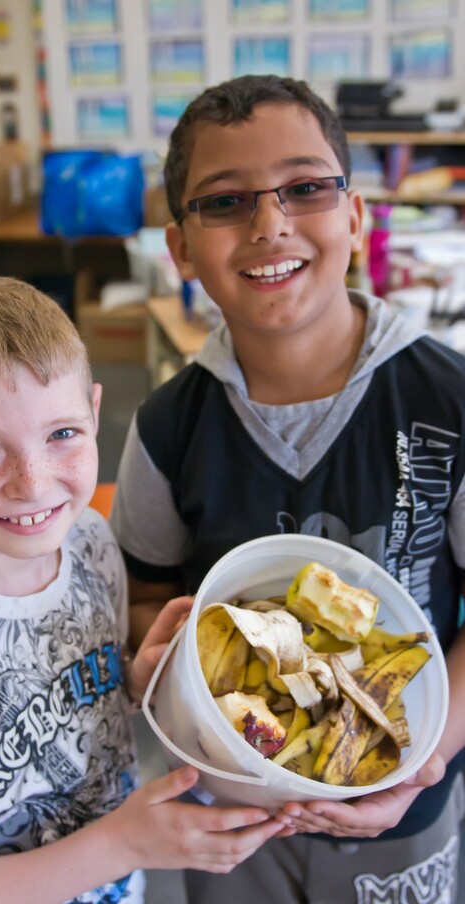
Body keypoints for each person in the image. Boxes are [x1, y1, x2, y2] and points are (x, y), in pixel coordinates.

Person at [110, 75, 465, 903]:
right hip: (228, 818)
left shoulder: (450, 402)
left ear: (354, 215)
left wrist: (421, 760)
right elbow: (145, 598)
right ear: (181, 250)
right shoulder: (167, 428)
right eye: (224, 203)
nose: (270, 224)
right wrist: (152, 660)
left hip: (404, 809)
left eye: (305, 188)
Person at [0, 275, 283, 904]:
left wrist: (139, 680)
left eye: (61, 434)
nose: (32, 486)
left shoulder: (87, 538)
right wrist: (124, 844)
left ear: (93, 413)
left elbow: (80, 692)